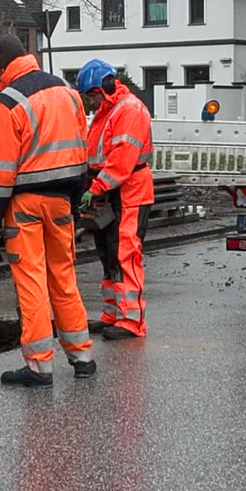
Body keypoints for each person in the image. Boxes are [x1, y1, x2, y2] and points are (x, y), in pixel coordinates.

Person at [0, 33, 96, 387]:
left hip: (25, 204)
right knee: (63, 277)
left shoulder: (7, 101)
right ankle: (82, 357)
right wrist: (76, 201)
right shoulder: (66, 92)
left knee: (31, 282)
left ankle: (38, 366)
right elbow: (82, 152)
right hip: (63, 200)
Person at [77, 59, 154, 339]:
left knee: (125, 254)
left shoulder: (129, 110)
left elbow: (123, 158)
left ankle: (131, 321)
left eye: (93, 95)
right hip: (112, 191)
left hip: (129, 192)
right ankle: (114, 314)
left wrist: (95, 187)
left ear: (105, 86)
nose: (91, 101)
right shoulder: (108, 111)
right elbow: (98, 153)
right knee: (108, 253)